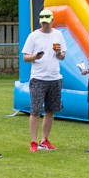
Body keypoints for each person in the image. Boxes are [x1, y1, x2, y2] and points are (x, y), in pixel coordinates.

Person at [22, 9, 66, 152]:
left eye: (47, 22)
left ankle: (44, 140)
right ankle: (33, 142)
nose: (45, 25)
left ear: (53, 21)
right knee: (35, 111)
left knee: (50, 110)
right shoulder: (33, 36)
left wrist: (58, 53)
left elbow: (63, 56)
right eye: (43, 23)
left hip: (55, 78)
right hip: (38, 78)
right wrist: (35, 57)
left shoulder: (58, 34)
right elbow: (25, 57)